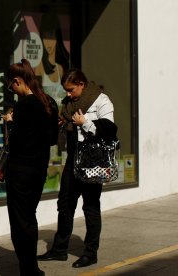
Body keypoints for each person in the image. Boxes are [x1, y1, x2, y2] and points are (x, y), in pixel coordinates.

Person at [37, 68, 114, 269]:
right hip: (73, 159)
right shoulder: (68, 105)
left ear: (81, 84)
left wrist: (85, 122)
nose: (68, 94)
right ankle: (60, 249)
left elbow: (109, 130)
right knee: (64, 204)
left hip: (93, 160)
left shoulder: (101, 100)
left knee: (90, 206)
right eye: (66, 91)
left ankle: (90, 253)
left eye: (71, 90)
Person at [2, 59, 57, 276]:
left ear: (17, 80)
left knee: (19, 221)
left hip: (20, 170)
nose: (12, 90)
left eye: (10, 86)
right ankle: (31, 267)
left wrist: (11, 123)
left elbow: (16, 143)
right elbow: (53, 139)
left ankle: (28, 269)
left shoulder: (23, 106)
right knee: (29, 217)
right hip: (39, 169)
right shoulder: (49, 102)